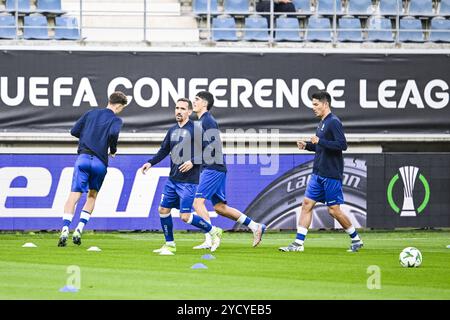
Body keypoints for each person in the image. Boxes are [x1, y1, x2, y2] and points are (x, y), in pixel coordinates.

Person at [279, 90, 364, 253]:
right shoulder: (322, 123)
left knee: (333, 210)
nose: (313, 107)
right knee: (306, 204)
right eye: (313, 104)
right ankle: (298, 244)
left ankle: (356, 239)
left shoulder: (334, 122)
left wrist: (320, 141)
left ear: (325, 104)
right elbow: (322, 147)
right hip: (317, 173)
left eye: (316, 104)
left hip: (331, 174)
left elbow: (342, 145)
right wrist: (308, 145)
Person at [139, 98, 222, 253]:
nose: (179, 111)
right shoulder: (172, 130)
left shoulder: (196, 129)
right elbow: (164, 150)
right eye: (177, 108)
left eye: (183, 109)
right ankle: (169, 244)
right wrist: (150, 163)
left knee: (185, 216)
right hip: (173, 180)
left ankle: (213, 230)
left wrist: (193, 161)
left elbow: (211, 151)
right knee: (163, 210)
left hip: (188, 182)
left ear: (189, 112)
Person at [189, 91, 266, 251]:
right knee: (220, 208)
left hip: (213, 168)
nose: (193, 102)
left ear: (205, 103)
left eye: (197, 99)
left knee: (198, 202)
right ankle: (255, 226)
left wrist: (194, 161)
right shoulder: (201, 121)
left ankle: (210, 238)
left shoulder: (207, 120)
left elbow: (212, 146)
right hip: (214, 167)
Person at [58, 91, 128, 247]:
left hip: (83, 158)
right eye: (122, 107)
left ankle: (64, 229)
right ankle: (79, 229)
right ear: (118, 105)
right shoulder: (116, 119)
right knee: (92, 196)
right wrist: (113, 149)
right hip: (100, 162)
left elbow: (74, 131)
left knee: (73, 195)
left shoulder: (91, 113)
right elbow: (114, 133)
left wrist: (88, 136)